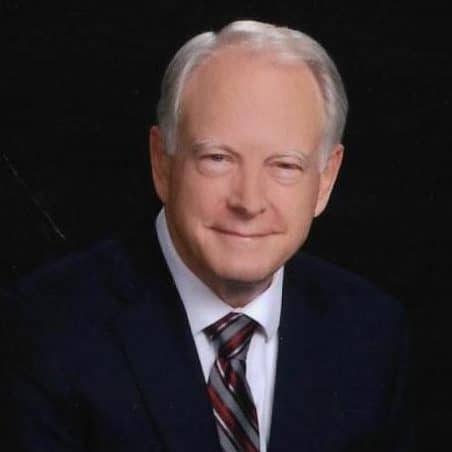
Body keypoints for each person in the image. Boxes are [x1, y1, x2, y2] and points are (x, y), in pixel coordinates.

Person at [1, 20, 413, 451]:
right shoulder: (45, 330)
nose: (249, 201)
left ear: (326, 179)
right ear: (162, 162)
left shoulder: (373, 333)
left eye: (285, 166)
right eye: (218, 158)